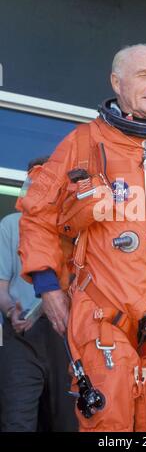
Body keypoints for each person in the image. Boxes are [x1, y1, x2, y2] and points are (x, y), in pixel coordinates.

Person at [18, 44, 146, 432]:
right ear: (117, 82)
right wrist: (48, 288)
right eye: (144, 75)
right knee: (107, 422)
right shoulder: (84, 143)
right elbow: (38, 214)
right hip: (104, 314)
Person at [0, 158, 77, 432]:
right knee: (16, 420)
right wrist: (11, 310)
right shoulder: (12, 224)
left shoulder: (73, 229)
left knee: (68, 421)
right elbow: (1, 284)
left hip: (67, 335)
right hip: (20, 336)